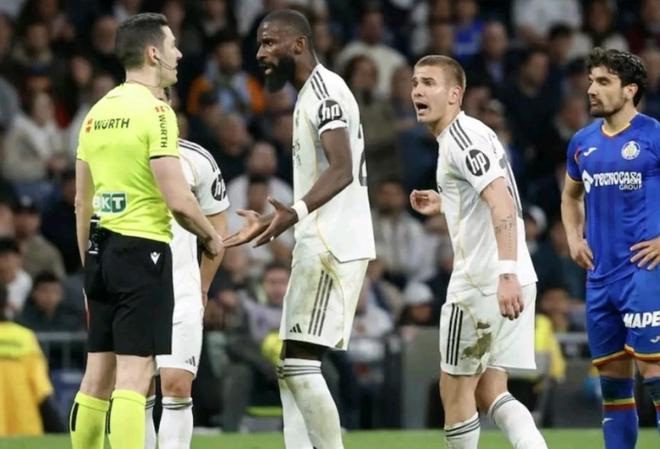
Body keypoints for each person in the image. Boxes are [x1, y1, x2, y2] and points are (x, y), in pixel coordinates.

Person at [70, 13, 223, 449]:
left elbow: (82, 203)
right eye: (173, 45)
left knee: (96, 379)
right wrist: (210, 237)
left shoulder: (97, 113)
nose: (179, 54)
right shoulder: (157, 112)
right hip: (143, 252)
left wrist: (89, 267)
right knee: (134, 379)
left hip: (100, 250)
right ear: (154, 53)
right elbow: (178, 199)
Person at [225, 9, 375, 449]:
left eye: (269, 42)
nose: (260, 53)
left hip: (332, 243)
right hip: (317, 240)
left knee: (299, 364)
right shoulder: (308, 94)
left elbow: (342, 167)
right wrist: (283, 218)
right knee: (290, 366)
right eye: (259, 43)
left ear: (299, 44)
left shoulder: (325, 93)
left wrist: (294, 212)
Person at [409, 55, 547, 449]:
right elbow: (486, 199)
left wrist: (505, 274)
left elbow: (502, 203)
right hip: (515, 275)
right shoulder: (474, 131)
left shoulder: (461, 139)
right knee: (491, 390)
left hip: (484, 282)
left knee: (454, 390)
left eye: (429, 83)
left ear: (455, 94)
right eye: (415, 82)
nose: (417, 90)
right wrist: (447, 202)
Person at [561, 48, 660, 448]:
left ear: (629, 90)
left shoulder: (653, 135)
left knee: (655, 377)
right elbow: (570, 197)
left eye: (603, 82)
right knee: (613, 388)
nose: (591, 89)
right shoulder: (582, 142)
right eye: (591, 81)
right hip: (600, 278)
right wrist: (573, 238)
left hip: (645, 274)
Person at [144, 118, 230, 448]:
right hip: (133, 287)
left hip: (181, 288)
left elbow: (218, 226)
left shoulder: (197, 158)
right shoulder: (120, 154)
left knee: (178, 387)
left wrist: (203, 286)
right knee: (138, 389)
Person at [0, 284, 64, 436]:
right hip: (24, 424)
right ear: (7, 304)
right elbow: (41, 387)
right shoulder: (24, 337)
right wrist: (59, 428)